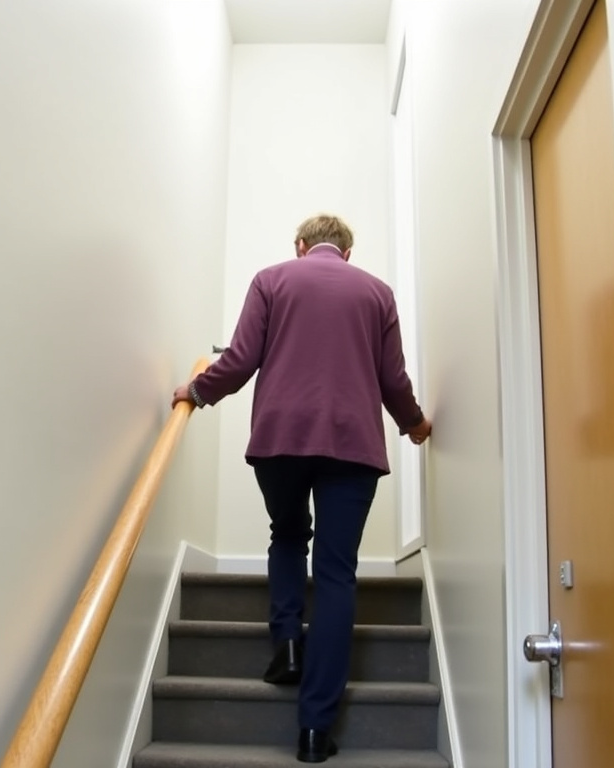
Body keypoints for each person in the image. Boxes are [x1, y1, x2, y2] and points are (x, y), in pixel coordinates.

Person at [172, 214, 432, 763]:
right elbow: (393, 379)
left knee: (288, 535)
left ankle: (288, 644)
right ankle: (315, 730)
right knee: (337, 573)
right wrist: (413, 424)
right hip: (352, 444)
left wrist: (195, 389)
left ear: (301, 246)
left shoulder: (271, 279)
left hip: (281, 439)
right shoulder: (377, 293)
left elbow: (239, 361)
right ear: (347, 253)